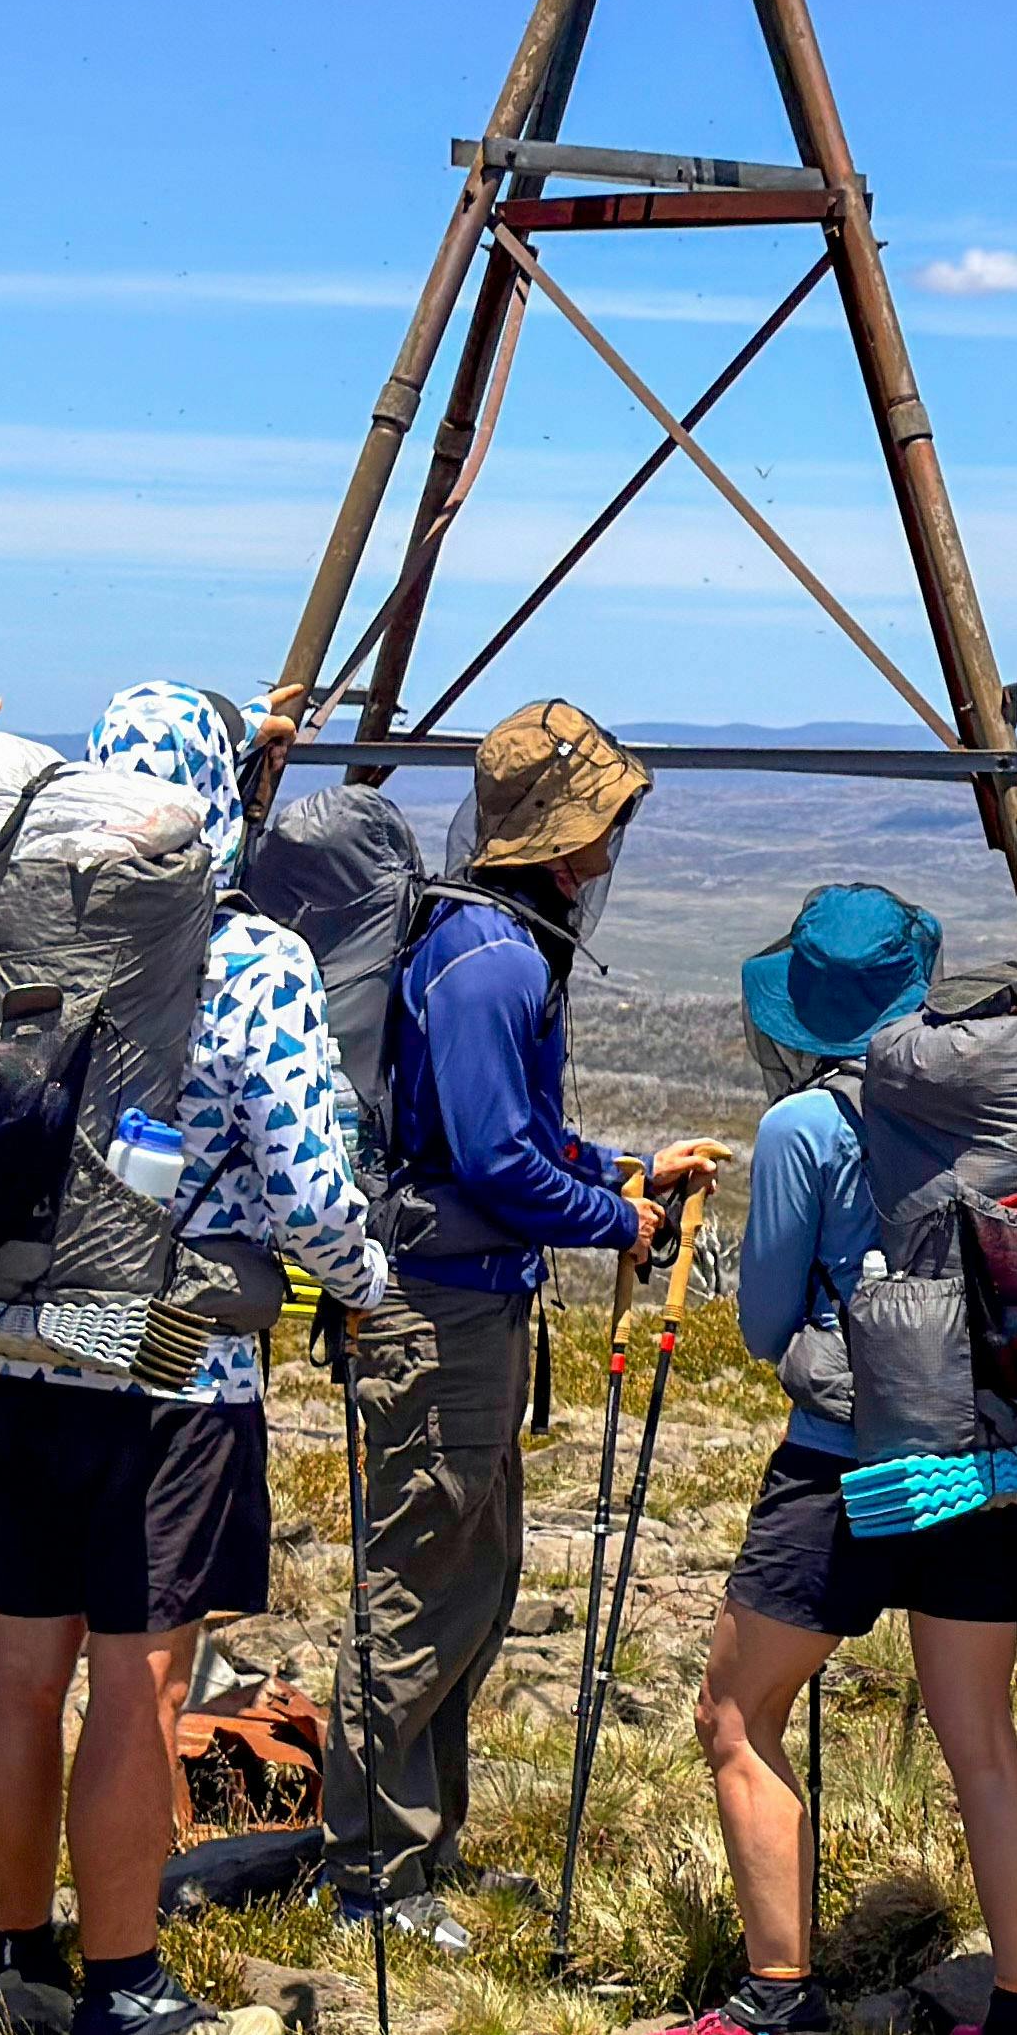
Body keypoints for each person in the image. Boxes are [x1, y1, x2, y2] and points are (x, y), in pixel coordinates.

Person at [0, 683, 378, 2035]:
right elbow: (311, 1187)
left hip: (20, 1336)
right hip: (171, 1361)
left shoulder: (21, 928)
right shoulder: (245, 953)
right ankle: (126, 2003)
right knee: (142, 1674)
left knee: (23, 1657)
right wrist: (364, 1280)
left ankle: (21, 1962)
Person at [636, 884, 1017, 2035]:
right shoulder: (985, 1099)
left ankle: (777, 2002)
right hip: (977, 1456)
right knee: (980, 1736)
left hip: (837, 1464)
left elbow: (766, 1318)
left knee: (736, 1713)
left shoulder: (802, 1126)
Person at [327, 694, 711, 1933]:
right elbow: (494, 1161)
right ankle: (374, 1876)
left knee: (468, 1580)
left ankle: (419, 1853)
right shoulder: (495, 960)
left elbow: (518, 1145)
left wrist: (617, 1173)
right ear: (562, 841)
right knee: (421, 1583)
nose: (616, 840)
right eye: (607, 818)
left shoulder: (483, 941)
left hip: (463, 1304)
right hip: (443, 1317)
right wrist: (617, 1222)